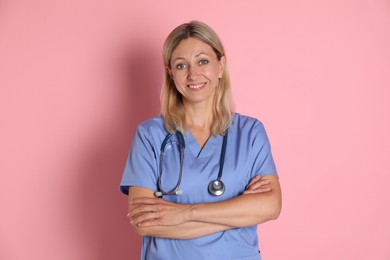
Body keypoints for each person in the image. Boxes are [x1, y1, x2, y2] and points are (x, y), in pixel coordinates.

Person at [120, 20, 282, 260]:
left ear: (220, 65)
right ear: (171, 73)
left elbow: (271, 206)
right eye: (182, 65)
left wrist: (185, 213)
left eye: (203, 61)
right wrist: (237, 213)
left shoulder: (250, 132)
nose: (193, 74)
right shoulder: (150, 135)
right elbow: (144, 223)